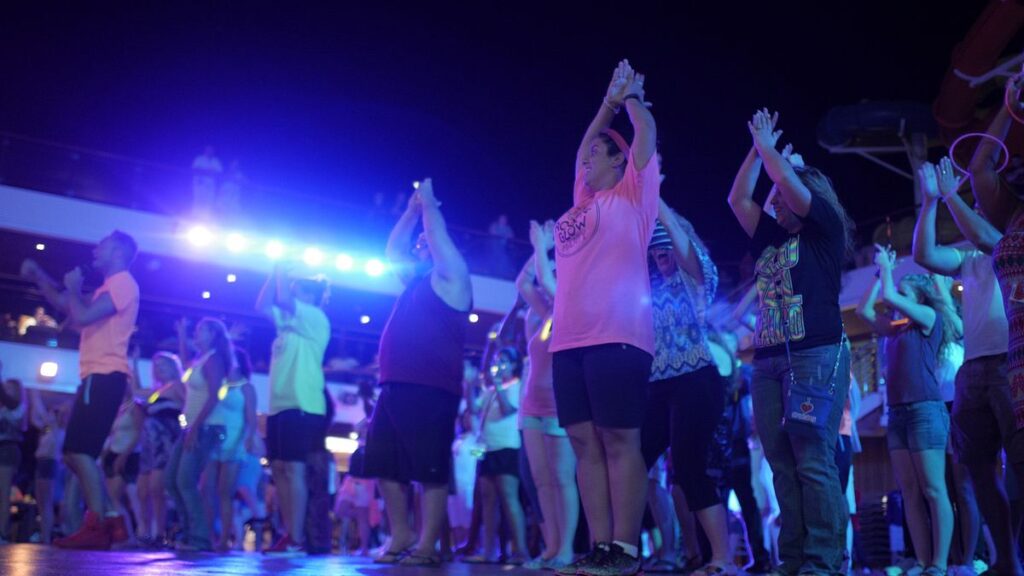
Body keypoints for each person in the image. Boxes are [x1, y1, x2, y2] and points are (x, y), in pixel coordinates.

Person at [726, 110, 853, 575]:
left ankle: (824, 562)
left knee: (812, 461)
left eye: (780, 196)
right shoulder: (770, 239)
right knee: (781, 463)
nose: (774, 203)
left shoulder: (824, 229)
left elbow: (787, 182)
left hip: (814, 355)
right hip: (767, 362)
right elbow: (737, 197)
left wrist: (770, 152)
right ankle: (794, 560)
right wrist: (755, 149)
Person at [550, 59, 659, 576]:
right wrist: (606, 103)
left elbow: (646, 134)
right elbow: (580, 150)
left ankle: (626, 549)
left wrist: (630, 98)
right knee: (582, 442)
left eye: (600, 152)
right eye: (589, 153)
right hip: (568, 342)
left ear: (621, 162)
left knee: (619, 440)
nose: (588, 158)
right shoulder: (582, 202)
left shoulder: (633, 195)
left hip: (618, 337)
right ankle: (599, 547)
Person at [364, 177, 472, 566]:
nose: (420, 245)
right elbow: (393, 250)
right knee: (384, 465)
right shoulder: (415, 281)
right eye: (419, 242)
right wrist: (411, 212)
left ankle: (427, 546)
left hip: (432, 388)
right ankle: (401, 536)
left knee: (430, 469)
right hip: (394, 384)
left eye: (426, 241)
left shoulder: (453, 276)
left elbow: (438, 237)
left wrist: (429, 207)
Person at [936, 99, 1024, 576]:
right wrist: (1009, 105)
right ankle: (1008, 560)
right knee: (989, 468)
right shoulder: (1015, 220)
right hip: (1012, 366)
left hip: (1007, 367)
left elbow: (983, 232)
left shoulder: (997, 234)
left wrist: (949, 197)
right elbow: (980, 166)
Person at [21, 230, 140, 549]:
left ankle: (97, 525)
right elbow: (68, 307)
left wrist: (74, 288)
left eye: (102, 245)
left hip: (105, 375)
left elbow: (83, 314)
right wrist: (40, 276)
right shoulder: (108, 287)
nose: (95, 250)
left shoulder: (122, 283)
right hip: (96, 377)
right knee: (74, 455)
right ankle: (111, 518)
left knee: (79, 452)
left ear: (118, 252)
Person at [641, 198, 735, 576]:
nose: (659, 252)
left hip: (696, 380)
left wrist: (655, 199)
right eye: (654, 247)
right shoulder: (650, 287)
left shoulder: (696, 277)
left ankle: (721, 559)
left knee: (688, 465)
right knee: (633, 457)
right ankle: (623, 550)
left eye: (664, 244)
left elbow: (683, 246)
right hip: (658, 385)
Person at [857, 248, 956, 576]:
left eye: (903, 294)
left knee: (933, 489)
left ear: (919, 298)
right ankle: (923, 561)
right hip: (898, 414)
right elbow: (863, 309)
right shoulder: (895, 329)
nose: (895, 301)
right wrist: (878, 275)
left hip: (925, 409)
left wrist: (887, 268)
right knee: (910, 491)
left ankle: (940, 563)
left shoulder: (929, 318)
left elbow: (887, 295)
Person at [517, 220, 579, 570]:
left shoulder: (569, 308)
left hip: (558, 404)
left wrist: (544, 247)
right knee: (541, 479)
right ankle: (551, 546)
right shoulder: (543, 313)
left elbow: (541, 281)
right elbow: (523, 282)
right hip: (531, 405)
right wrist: (541, 247)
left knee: (562, 477)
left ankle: (566, 548)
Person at [256, 266, 331, 555]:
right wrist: (275, 269)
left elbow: (282, 300)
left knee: (294, 468)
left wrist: (281, 270)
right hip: (279, 405)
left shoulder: (314, 317)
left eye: (295, 289)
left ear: (309, 296)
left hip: (303, 404)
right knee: (278, 468)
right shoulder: (287, 323)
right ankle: (290, 534)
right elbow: (262, 305)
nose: (288, 293)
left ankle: (297, 538)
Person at [165, 318, 236, 552]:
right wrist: (182, 334)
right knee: (172, 480)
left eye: (200, 330)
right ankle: (188, 533)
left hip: (206, 427)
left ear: (213, 335)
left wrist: (195, 428)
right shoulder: (201, 359)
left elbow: (214, 396)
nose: (196, 333)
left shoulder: (214, 359)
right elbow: (185, 363)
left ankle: (199, 538)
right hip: (193, 426)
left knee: (185, 480)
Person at [467, 347, 529, 564]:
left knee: (509, 498)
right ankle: (488, 551)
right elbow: (473, 410)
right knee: (487, 499)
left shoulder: (517, 385)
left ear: (514, 365)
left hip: (507, 447)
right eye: (496, 360)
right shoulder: (490, 389)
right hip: (486, 448)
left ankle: (520, 551)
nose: (499, 365)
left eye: (504, 361)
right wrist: (469, 385)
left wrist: (498, 386)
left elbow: (508, 410)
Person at [131, 351, 184, 548]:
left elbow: (188, 406)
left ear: (173, 367)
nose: (160, 369)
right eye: (157, 366)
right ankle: (145, 531)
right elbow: (136, 391)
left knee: (156, 488)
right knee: (142, 490)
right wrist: (135, 364)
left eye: (164, 365)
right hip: (149, 442)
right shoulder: (156, 391)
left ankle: (159, 533)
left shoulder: (177, 386)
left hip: (165, 441)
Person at [100, 388, 145, 546]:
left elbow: (139, 433)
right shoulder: (119, 409)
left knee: (131, 496)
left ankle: (140, 534)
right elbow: (113, 435)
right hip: (114, 454)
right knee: (113, 499)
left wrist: (124, 455)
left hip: (129, 455)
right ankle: (126, 535)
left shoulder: (135, 407)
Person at [30, 388, 67, 545]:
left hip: (49, 463)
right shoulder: (49, 430)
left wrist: (35, 394)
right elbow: (35, 418)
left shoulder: (59, 430)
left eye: (54, 412)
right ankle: (45, 535)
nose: (51, 413)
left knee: (46, 502)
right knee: (42, 502)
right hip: (43, 463)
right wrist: (34, 399)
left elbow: (41, 414)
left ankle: (46, 537)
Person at [0, 369, 24, 543]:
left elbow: (7, 399)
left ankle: (3, 533)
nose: (5, 390)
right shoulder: (5, 408)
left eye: (9, 388)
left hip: (8, 450)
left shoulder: (17, 407)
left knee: (3, 493)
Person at [191, 145, 222, 217]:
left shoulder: (215, 160)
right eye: (208, 149)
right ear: (205, 150)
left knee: (209, 202)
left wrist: (212, 172)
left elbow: (220, 172)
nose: (209, 151)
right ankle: (195, 217)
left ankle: (207, 218)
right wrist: (206, 171)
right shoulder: (199, 158)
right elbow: (194, 169)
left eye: (211, 150)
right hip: (199, 184)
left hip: (210, 185)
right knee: (198, 201)